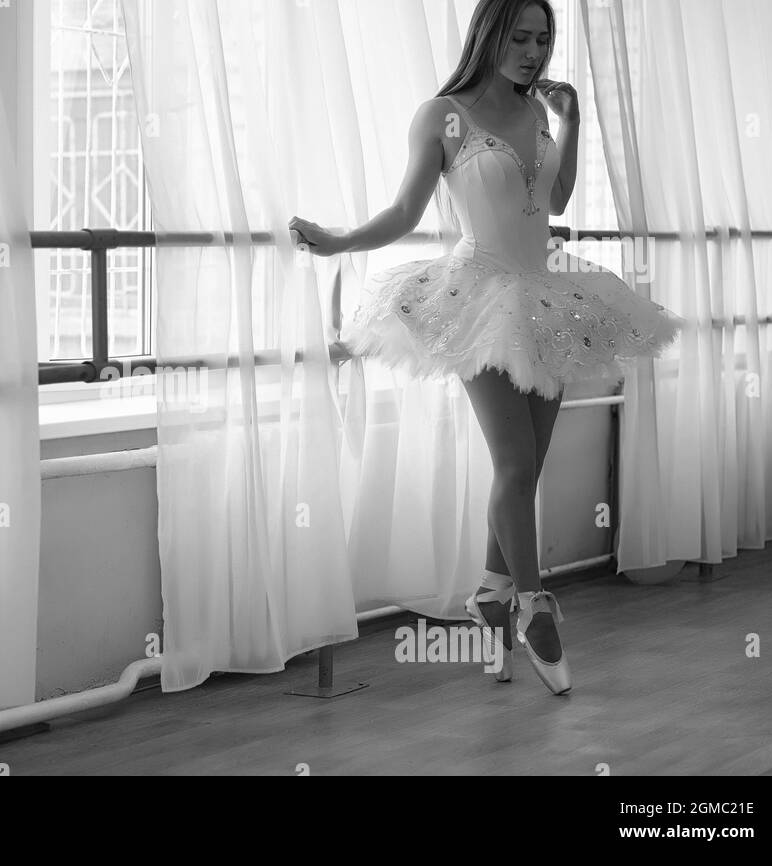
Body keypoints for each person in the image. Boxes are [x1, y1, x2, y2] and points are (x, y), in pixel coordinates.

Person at [288, 0, 684, 696]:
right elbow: (407, 211)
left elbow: (555, 202)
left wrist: (572, 122)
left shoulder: (536, 111)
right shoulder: (442, 115)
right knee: (513, 460)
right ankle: (534, 603)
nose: (533, 51)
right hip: (477, 298)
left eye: (542, 39)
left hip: (551, 296)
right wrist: (341, 241)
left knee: (526, 470)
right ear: (489, 35)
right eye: (520, 37)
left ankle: (491, 596)